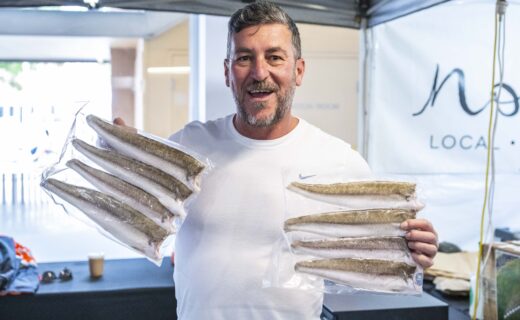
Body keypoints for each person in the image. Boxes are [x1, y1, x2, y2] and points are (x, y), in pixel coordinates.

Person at [116, 1, 438, 319]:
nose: (259, 72)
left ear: (298, 71)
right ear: (228, 72)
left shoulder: (338, 160)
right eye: (244, 58)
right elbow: (140, 213)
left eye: (274, 57)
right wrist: (124, 163)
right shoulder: (189, 145)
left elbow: (385, 250)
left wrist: (413, 251)